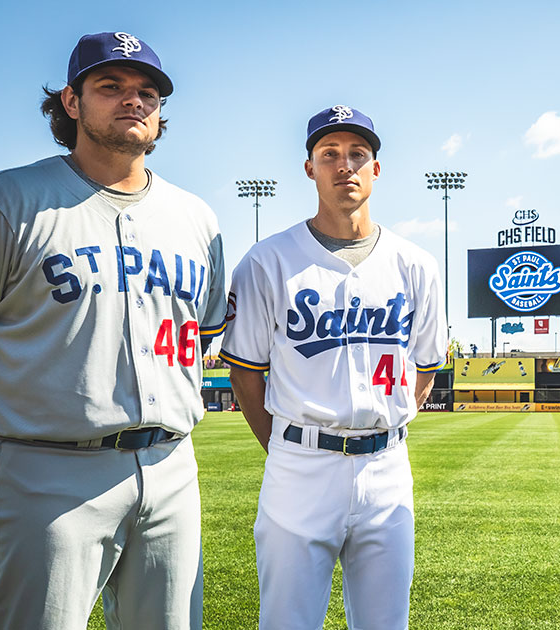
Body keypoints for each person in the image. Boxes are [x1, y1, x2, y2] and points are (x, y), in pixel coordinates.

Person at [0, 31, 225, 629]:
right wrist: (22, 400)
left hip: (172, 467)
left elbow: (199, 337)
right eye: (111, 86)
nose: (133, 100)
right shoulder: (7, 199)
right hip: (50, 472)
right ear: (71, 102)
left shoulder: (197, 217)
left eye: (147, 92)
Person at [222, 105, 447, 629]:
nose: (344, 165)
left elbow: (426, 369)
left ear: (376, 167)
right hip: (299, 463)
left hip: (388, 467)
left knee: (386, 623)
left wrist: (386, 423)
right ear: (309, 168)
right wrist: (286, 444)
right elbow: (245, 374)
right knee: (287, 621)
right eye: (330, 155)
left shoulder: (416, 264)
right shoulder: (267, 260)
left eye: (357, 154)